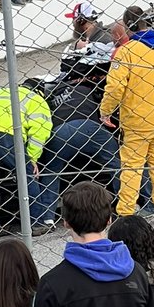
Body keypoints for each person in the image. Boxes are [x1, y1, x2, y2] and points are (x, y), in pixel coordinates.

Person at [100, 5, 154, 224]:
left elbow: (115, 87)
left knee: (132, 166)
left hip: (136, 119)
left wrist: (105, 111)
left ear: (128, 26)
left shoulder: (126, 52)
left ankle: (126, 210)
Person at [0, 84, 56, 236]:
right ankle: (37, 223)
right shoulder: (37, 99)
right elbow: (40, 132)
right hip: (6, 133)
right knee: (26, 174)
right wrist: (32, 158)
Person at [44, 43, 120, 201]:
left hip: (59, 132)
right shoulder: (92, 86)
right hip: (89, 127)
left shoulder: (54, 89)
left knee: (50, 172)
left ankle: (44, 217)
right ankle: (127, 202)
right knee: (116, 163)